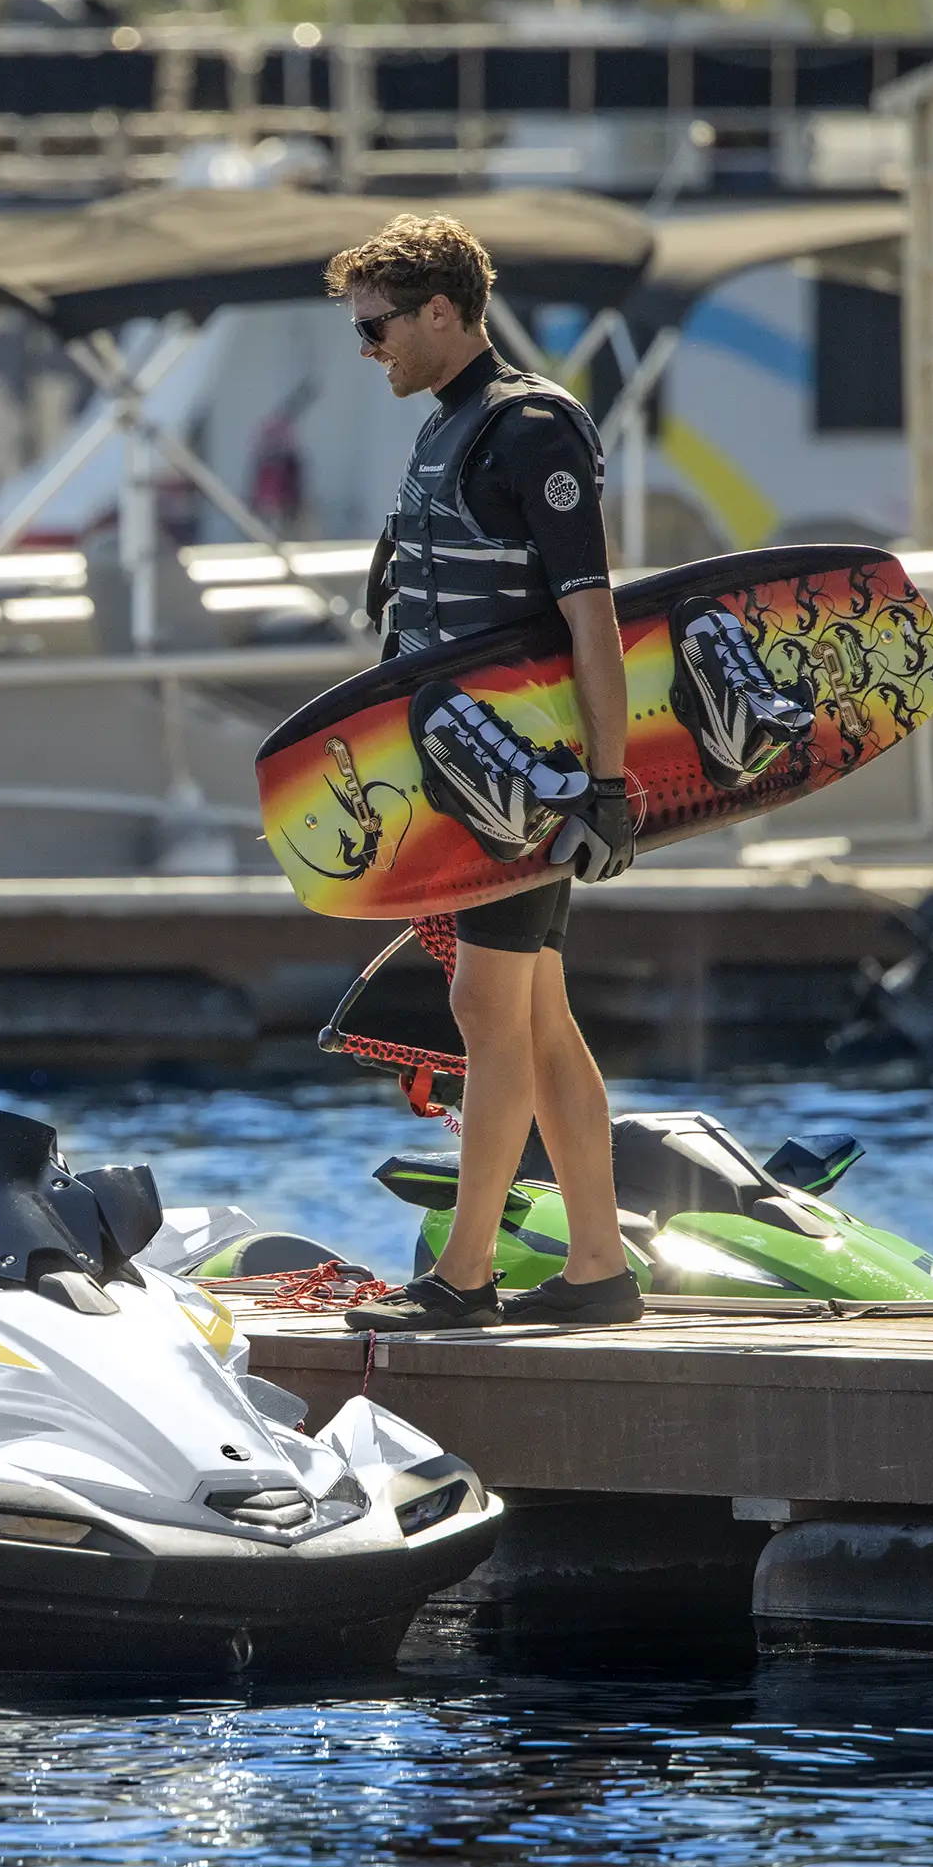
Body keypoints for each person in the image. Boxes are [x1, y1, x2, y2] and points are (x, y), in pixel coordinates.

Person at [326, 213, 646, 1331]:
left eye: (377, 329)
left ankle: (463, 1279)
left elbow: (593, 622)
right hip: (461, 779)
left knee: (485, 1002)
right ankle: (598, 1267)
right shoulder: (446, 425)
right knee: (539, 1014)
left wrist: (607, 788)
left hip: (531, 775)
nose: (369, 351)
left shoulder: (531, 429)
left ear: (444, 313)